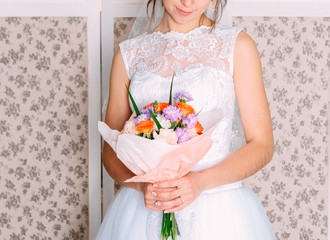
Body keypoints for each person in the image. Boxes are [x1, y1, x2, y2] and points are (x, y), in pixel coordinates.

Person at [97, 0, 276, 239]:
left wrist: (199, 182)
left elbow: (262, 145)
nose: (188, 2)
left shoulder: (237, 46)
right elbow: (110, 151)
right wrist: (141, 185)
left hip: (218, 212)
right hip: (144, 208)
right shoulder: (129, 54)